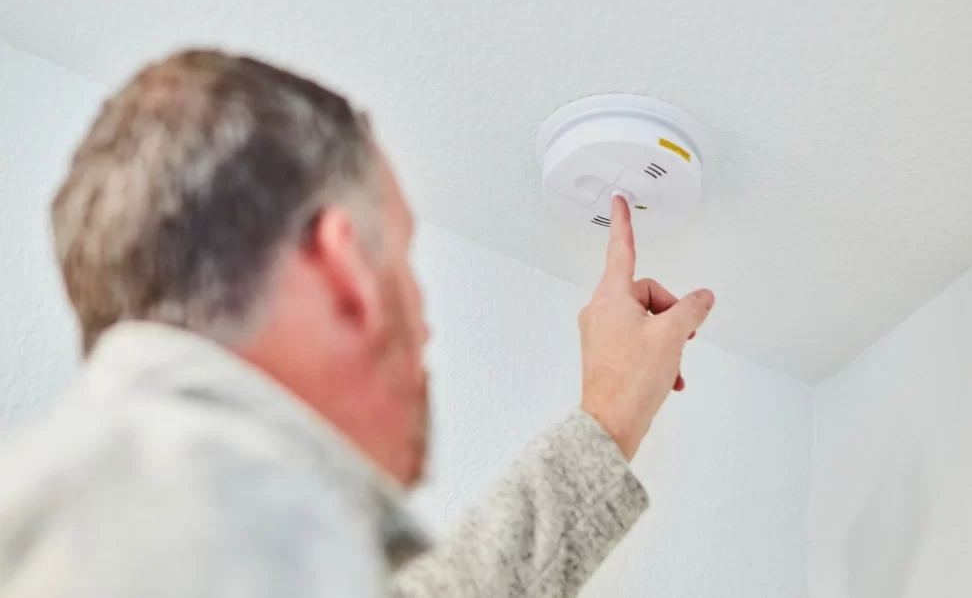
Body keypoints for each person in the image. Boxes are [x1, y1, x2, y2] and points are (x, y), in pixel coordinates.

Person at [0, 51, 715, 598]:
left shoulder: (115, 522)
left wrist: (608, 419)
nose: (428, 331)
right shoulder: (196, 522)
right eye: (401, 260)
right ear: (346, 273)